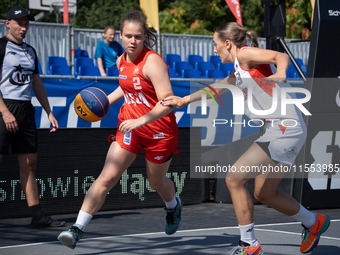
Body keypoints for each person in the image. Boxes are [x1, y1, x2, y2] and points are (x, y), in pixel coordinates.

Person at [161, 22, 330, 255]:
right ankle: (314, 222)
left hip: (284, 128)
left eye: (215, 44)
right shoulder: (238, 69)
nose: (214, 49)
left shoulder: (245, 54)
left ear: (227, 43)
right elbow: (218, 87)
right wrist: (183, 100)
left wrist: (281, 72)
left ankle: (249, 244)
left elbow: (280, 56)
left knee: (234, 178)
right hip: (281, 128)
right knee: (264, 194)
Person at [57, 10, 182, 249]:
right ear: (121, 35)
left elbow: (167, 101)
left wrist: (142, 120)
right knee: (107, 176)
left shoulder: (153, 62)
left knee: (156, 183)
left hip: (159, 130)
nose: (132, 41)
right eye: (128, 36)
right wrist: (104, 101)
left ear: (145, 36)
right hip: (129, 127)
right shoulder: (120, 59)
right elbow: (126, 88)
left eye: (138, 36)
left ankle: (173, 206)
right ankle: (77, 229)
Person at [0, 6, 66, 228]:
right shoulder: (0, 47)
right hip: (4, 107)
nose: (23, 27)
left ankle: (37, 216)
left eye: (26, 23)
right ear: (7, 23)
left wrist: (48, 111)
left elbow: (36, 83)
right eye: (19, 22)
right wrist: (4, 111)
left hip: (26, 110)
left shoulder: (30, 51)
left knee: (29, 164)